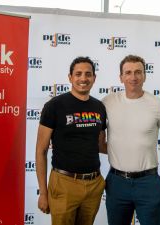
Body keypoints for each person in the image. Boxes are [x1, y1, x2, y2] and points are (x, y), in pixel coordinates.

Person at [101, 55, 160, 225]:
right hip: (117, 182)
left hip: (149, 182)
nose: (133, 77)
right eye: (128, 72)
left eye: (138, 72)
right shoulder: (108, 102)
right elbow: (99, 138)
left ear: (145, 75)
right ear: (121, 77)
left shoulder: (158, 104)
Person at [35, 56, 107, 225]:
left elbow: (100, 145)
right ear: (70, 77)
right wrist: (43, 193)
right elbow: (41, 150)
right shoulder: (54, 105)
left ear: (94, 78)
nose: (83, 78)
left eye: (88, 74)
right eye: (78, 74)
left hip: (94, 184)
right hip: (64, 183)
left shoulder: (99, 107)